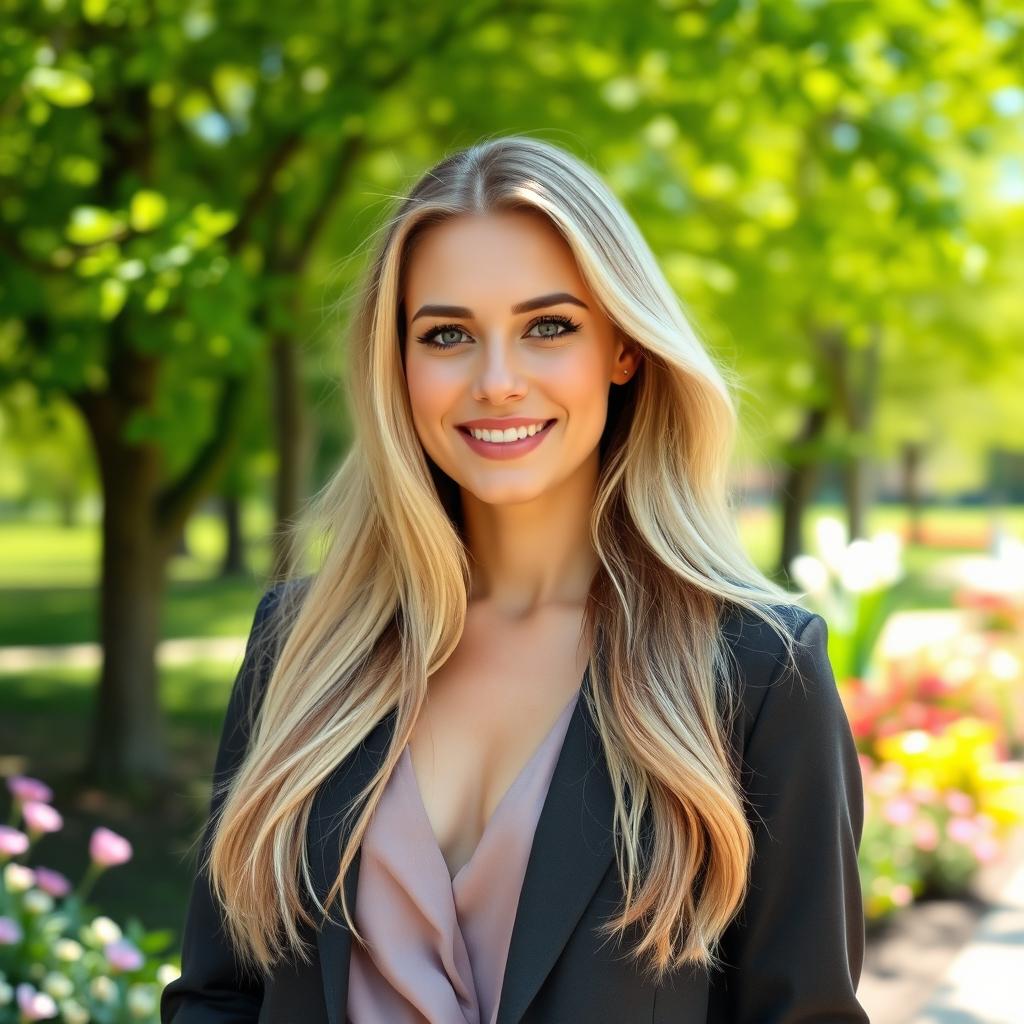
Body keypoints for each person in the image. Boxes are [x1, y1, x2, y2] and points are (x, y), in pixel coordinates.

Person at [161, 134, 868, 1024]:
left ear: (623, 348)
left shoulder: (757, 671)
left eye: (548, 327)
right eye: (448, 334)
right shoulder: (298, 648)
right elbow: (219, 998)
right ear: (399, 365)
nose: (497, 382)